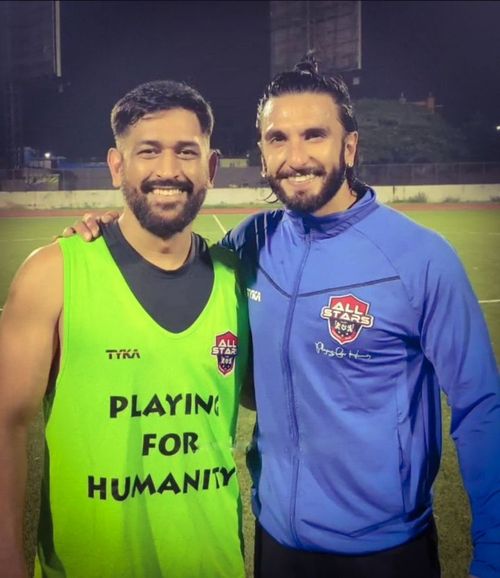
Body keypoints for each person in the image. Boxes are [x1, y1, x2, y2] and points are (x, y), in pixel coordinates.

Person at [59, 59, 500, 578]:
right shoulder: (250, 242)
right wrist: (110, 228)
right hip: (277, 543)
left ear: (349, 148)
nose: (296, 158)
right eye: (277, 138)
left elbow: (481, 408)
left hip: (385, 551)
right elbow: (170, 256)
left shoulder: (421, 259)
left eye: (314, 135)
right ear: (262, 152)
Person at [0, 80, 250, 578]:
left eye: (186, 152)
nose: (168, 171)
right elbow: (7, 423)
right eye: (148, 152)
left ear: (212, 167)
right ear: (117, 165)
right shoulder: (53, 273)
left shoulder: (238, 280)